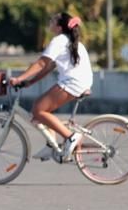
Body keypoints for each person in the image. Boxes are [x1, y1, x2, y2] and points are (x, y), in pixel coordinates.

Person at [9, 12, 93, 161]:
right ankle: (51, 144)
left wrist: (18, 78)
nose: (50, 21)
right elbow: (47, 67)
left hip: (73, 83)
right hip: (80, 81)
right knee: (42, 109)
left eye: (53, 20)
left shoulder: (59, 41)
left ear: (59, 27)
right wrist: (29, 82)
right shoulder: (68, 41)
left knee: (38, 109)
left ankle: (71, 137)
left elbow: (41, 63)